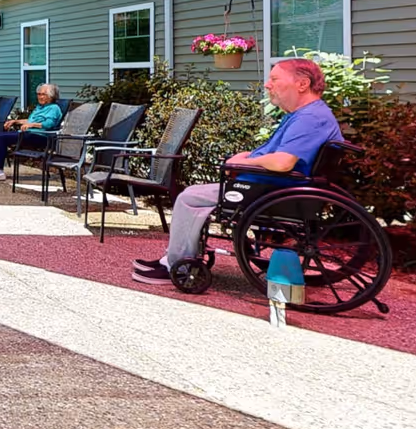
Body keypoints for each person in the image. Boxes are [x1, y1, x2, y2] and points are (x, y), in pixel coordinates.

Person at [132, 58, 345, 285]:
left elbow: (283, 163)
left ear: (302, 84)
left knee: (189, 198)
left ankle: (176, 266)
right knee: (195, 193)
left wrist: (244, 162)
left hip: (270, 191)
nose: (267, 84)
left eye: (274, 79)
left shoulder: (310, 118)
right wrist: (246, 157)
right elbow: (280, 155)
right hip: (271, 187)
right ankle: (175, 258)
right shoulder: (306, 114)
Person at [0, 83, 64, 181]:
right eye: (38, 94)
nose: (40, 97)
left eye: (43, 94)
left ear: (51, 96)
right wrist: (15, 121)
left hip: (41, 137)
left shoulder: (54, 108)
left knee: (1, 138)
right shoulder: (40, 107)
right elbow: (29, 121)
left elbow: (48, 124)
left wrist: (31, 125)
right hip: (28, 134)